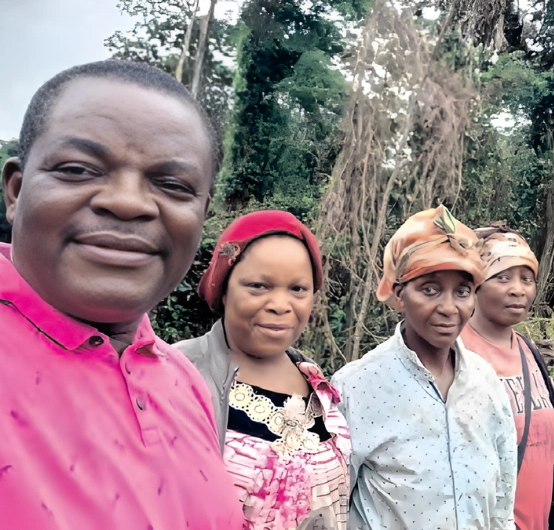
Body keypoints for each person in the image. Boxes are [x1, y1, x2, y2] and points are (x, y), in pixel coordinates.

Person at [0, 60, 242, 529]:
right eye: (78, 169)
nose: (128, 202)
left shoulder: (184, 381)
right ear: (16, 190)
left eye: (172, 185)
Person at [332, 205, 517, 530]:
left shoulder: (485, 380)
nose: (448, 308)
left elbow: (503, 494)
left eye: (462, 292)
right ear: (400, 293)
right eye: (429, 290)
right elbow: (333, 503)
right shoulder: (355, 386)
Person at [175, 210, 351, 530]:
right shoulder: (177, 377)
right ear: (225, 290)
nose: (280, 305)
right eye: (258, 286)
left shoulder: (315, 382)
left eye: (297, 289)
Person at [460, 224, 554, 530]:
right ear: (476, 283)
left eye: (527, 279)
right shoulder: (457, 354)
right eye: (502, 277)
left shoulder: (529, 352)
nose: (518, 289)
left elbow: (552, 463)